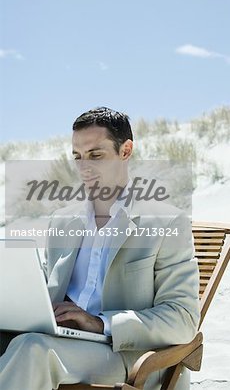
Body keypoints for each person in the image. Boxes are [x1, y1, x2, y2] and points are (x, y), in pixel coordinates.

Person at [0, 107, 200, 390]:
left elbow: (182, 319)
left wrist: (100, 323)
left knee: (34, 350)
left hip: (126, 355)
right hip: (61, 341)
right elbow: (42, 292)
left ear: (126, 150)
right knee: (27, 344)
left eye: (96, 155)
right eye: (77, 157)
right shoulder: (63, 220)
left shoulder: (167, 222)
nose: (84, 168)